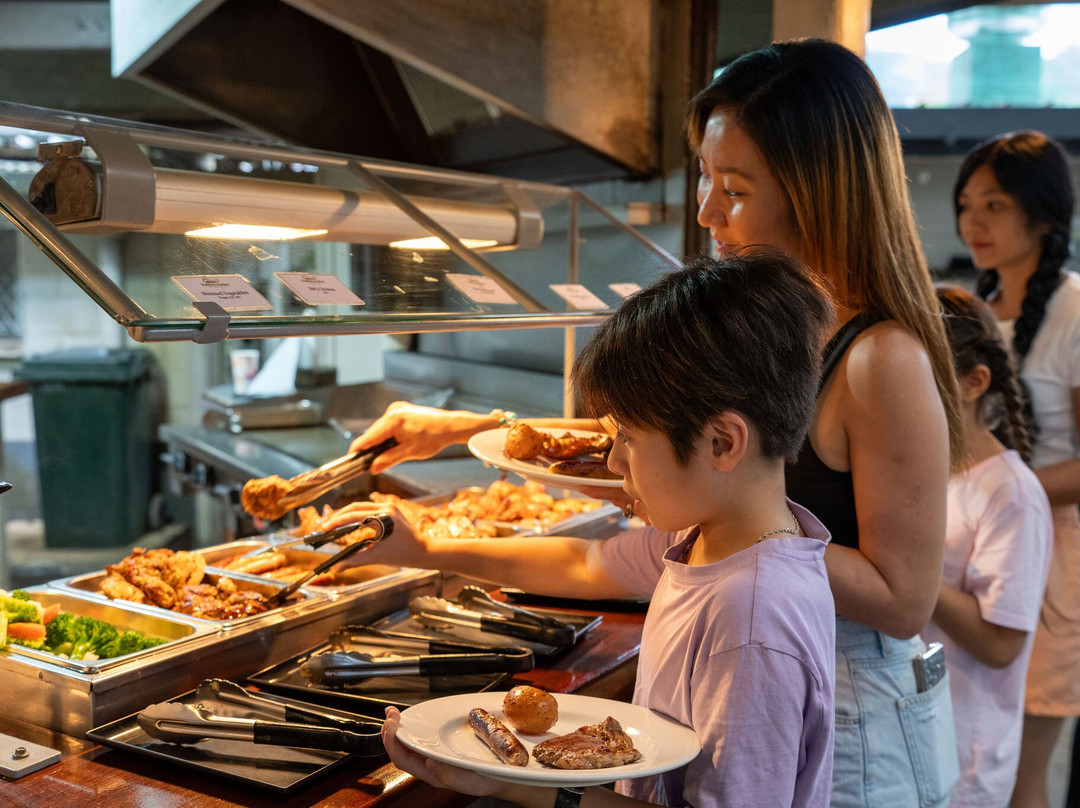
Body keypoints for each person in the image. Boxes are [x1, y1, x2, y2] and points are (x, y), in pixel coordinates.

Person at [347, 39, 965, 807]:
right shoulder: (758, 351)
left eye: (734, 188)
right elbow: (672, 452)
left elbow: (904, 597)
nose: (707, 211)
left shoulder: (879, 360)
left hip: (852, 716)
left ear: (819, 192)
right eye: (707, 178)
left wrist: (737, 533)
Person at [338, 250, 837, 807]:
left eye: (627, 436)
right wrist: (427, 547)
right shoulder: (708, 541)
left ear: (722, 442)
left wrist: (518, 787)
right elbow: (587, 562)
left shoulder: (750, 616)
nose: (615, 462)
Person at [952, 130, 1080, 808]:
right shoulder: (968, 310)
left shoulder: (1075, 311)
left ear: (1044, 212)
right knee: (960, 759)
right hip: (960, 546)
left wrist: (1005, 482)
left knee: (1020, 773)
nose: (974, 221)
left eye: (995, 205)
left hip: (1050, 556)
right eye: (967, 204)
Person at [924, 285, 1052, 807]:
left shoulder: (1012, 493)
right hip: (920, 731)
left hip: (965, 755)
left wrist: (902, 571)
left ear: (974, 383)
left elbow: (1002, 645)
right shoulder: (929, 473)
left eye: (922, 376)